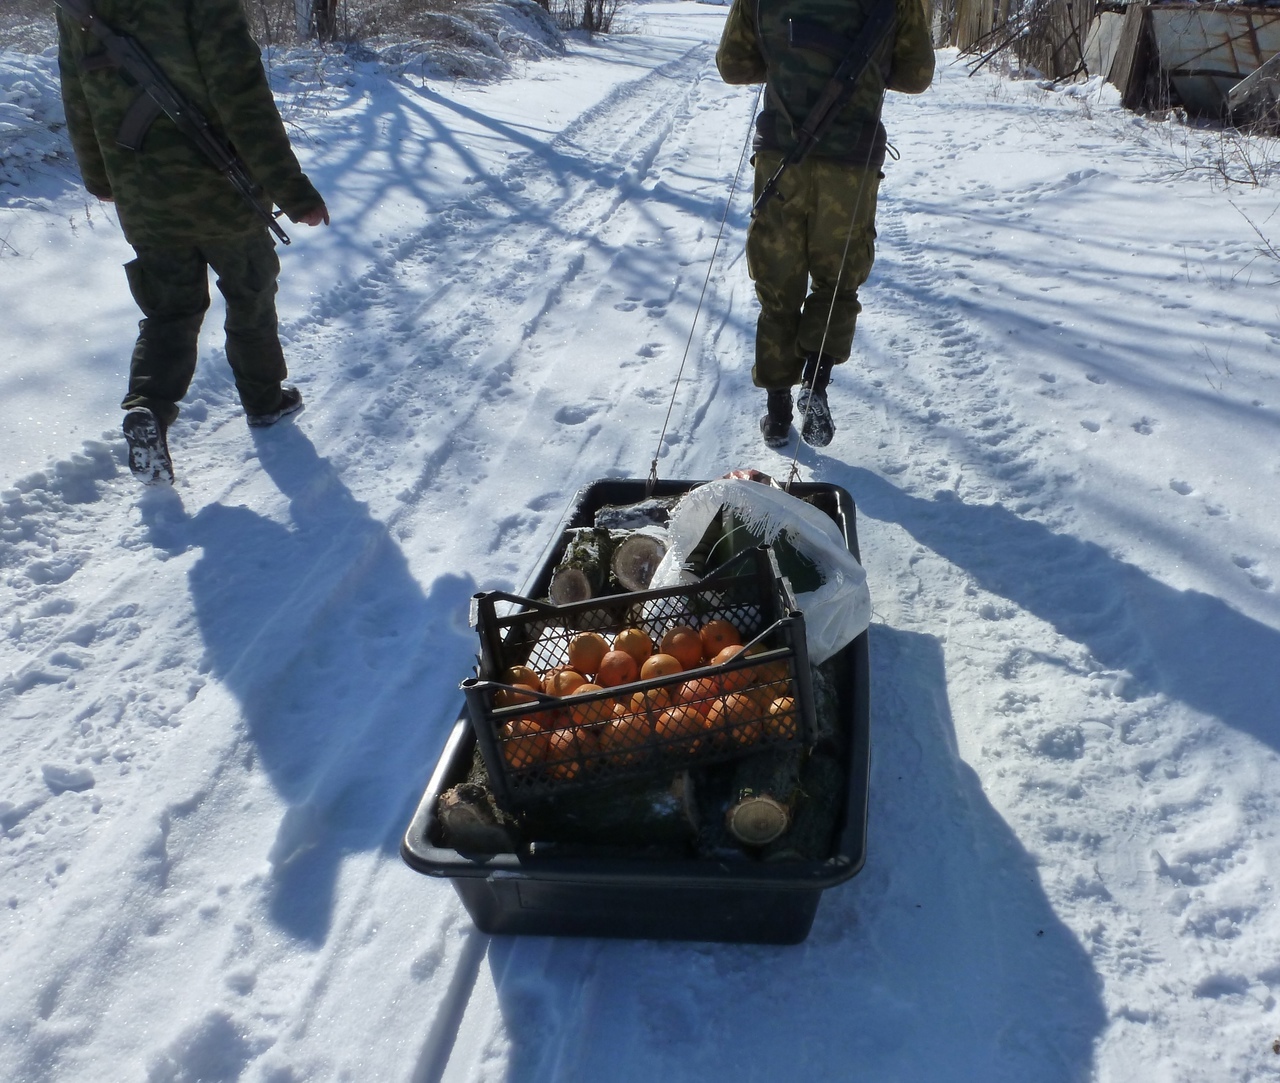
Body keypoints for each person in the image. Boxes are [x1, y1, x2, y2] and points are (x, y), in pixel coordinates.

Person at [56, 0, 330, 485]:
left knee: (169, 309)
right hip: (222, 190)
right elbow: (242, 96)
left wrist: (99, 175)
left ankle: (148, 408)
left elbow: (76, 89)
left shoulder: (77, 3)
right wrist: (293, 191)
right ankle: (265, 401)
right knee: (250, 293)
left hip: (141, 190)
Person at [716, 0, 934, 449]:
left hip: (782, 157)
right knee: (837, 282)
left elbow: (733, 66)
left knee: (778, 284)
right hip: (850, 164)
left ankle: (777, 414)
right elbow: (916, 76)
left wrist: (791, 63)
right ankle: (815, 385)